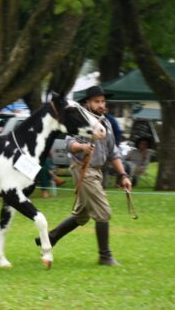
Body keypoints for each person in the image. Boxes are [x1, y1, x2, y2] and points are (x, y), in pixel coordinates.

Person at [36, 86, 131, 266]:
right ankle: (105, 256)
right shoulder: (80, 120)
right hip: (83, 169)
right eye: (97, 101)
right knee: (103, 211)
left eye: (103, 101)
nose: (101, 104)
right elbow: (69, 143)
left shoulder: (107, 123)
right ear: (87, 103)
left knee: (81, 216)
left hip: (97, 171)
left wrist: (123, 175)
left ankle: (50, 238)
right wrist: (83, 147)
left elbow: (114, 153)